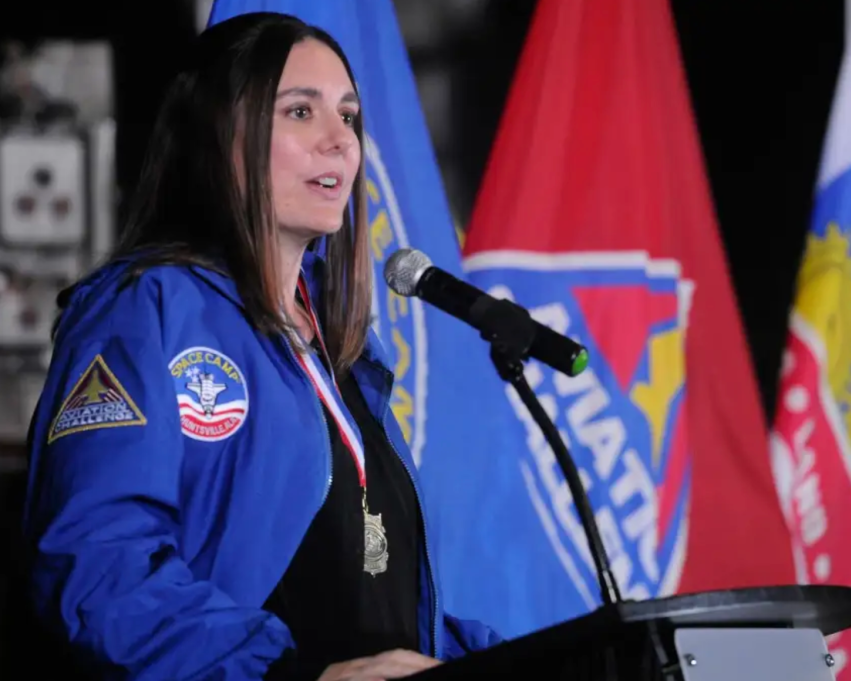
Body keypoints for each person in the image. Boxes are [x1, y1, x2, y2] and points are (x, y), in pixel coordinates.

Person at [20, 11, 501, 681]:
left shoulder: (343, 360)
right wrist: (284, 674)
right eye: (301, 112)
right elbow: (98, 567)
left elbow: (372, 613)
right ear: (222, 137)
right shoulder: (146, 309)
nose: (341, 141)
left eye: (349, 115)